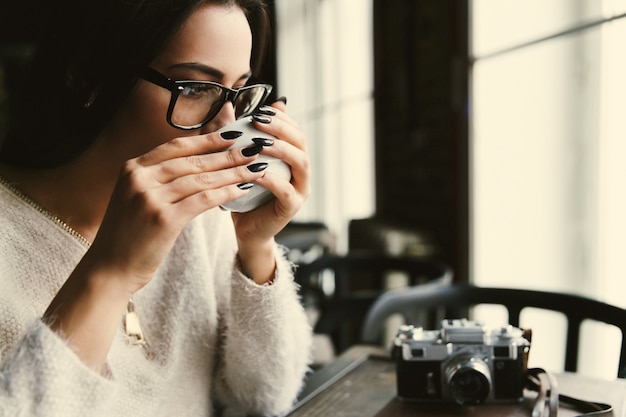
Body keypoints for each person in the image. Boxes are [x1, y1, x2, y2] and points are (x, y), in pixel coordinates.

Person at [0, 0, 313, 416]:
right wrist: (110, 274)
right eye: (195, 88)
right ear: (87, 75)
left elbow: (263, 397)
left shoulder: (201, 217)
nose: (226, 125)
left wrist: (256, 248)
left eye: (239, 92)